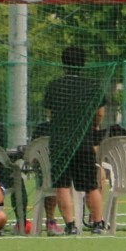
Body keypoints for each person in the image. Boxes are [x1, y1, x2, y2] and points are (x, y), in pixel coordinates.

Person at [43, 45, 109, 235]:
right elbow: (99, 113)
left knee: (62, 184)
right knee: (90, 184)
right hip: (83, 141)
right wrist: (93, 126)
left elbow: (49, 113)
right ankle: (97, 224)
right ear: (83, 63)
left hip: (60, 141)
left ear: (64, 63)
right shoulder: (93, 86)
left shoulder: (54, 86)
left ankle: (71, 225)